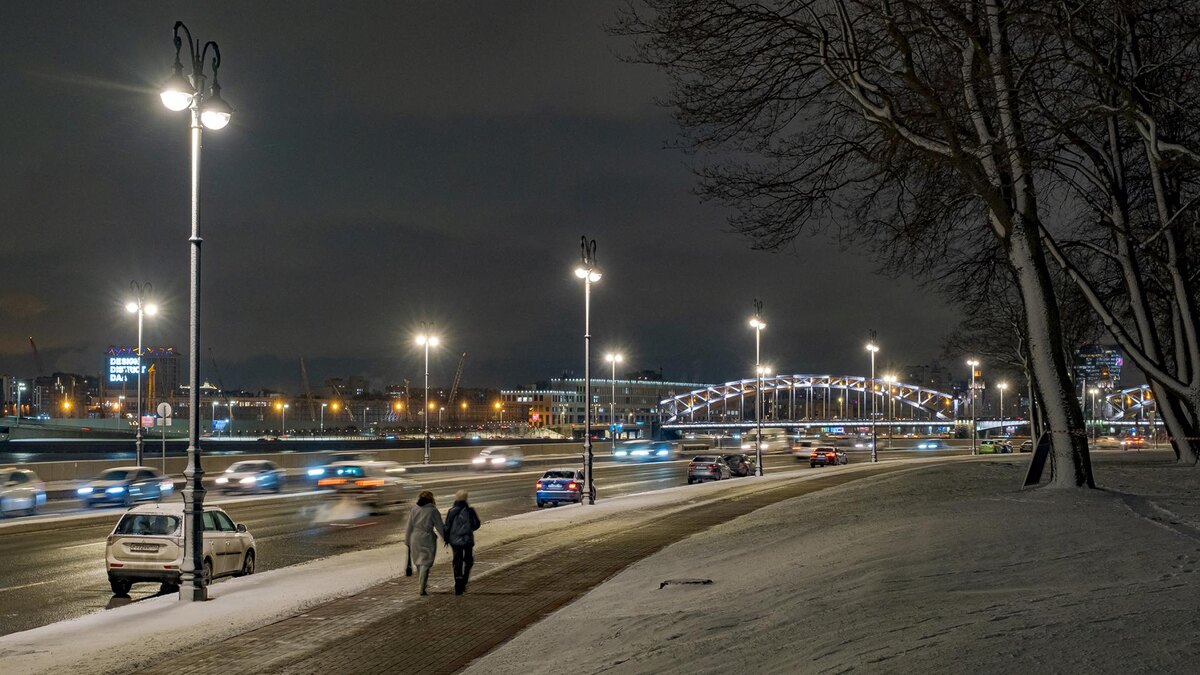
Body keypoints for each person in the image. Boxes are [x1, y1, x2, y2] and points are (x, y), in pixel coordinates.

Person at [405, 490, 445, 596]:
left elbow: (409, 526)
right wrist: (445, 538)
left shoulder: (414, 509)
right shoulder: (433, 511)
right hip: (427, 537)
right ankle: (422, 587)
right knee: (426, 563)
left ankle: (422, 584)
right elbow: (439, 526)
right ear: (431, 499)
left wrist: (407, 540)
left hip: (415, 537)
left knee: (418, 562)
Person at [443, 489, 481, 595]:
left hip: (455, 541)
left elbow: (447, 526)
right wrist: (469, 529)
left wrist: (446, 538)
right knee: (468, 561)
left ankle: (458, 584)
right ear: (466, 498)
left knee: (457, 561)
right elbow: (476, 524)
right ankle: (464, 581)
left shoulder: (451, 511)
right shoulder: (470, 511)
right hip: (468, 540)